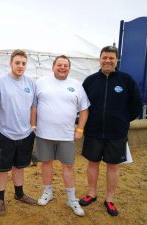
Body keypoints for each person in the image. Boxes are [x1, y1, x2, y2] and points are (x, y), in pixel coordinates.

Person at [79, 46, 142, 216]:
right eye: (105, 57)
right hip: (93, 131)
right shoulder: (90, 81)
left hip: (116, 133)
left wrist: (122, 120)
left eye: (111, 58)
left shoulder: (126, 80)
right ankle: (91, 193)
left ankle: (110, 199)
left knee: (113, 166)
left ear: (117, 60)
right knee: (92, 163)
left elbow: (136, 104)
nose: (108, 61)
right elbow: (82, 105)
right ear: (99, 59)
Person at [33, 55, 89, 217]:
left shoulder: (76, 85)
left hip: (66, 135)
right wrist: (33, 124)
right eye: (59, 65)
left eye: (65, 65)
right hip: (44, 134)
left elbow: (84, 110)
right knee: (46, 163)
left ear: (69, 68)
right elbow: (34, 105)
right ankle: (47, 192)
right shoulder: (41, 82)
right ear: (53, 67)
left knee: (68, 166)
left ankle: (71, 199)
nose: (62, 68)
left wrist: (80, 129)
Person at [0, 49, 37, 215]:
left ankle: (19, 194)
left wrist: (32, 126)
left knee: (19, 166)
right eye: (17, 62)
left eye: (23, 63)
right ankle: (1, 199)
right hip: (6, 134)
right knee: (2, 168)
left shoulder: (31, 83)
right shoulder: (0, 82)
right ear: (10, 63)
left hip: (25, 134)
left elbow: (34, 106)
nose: (20, 66)